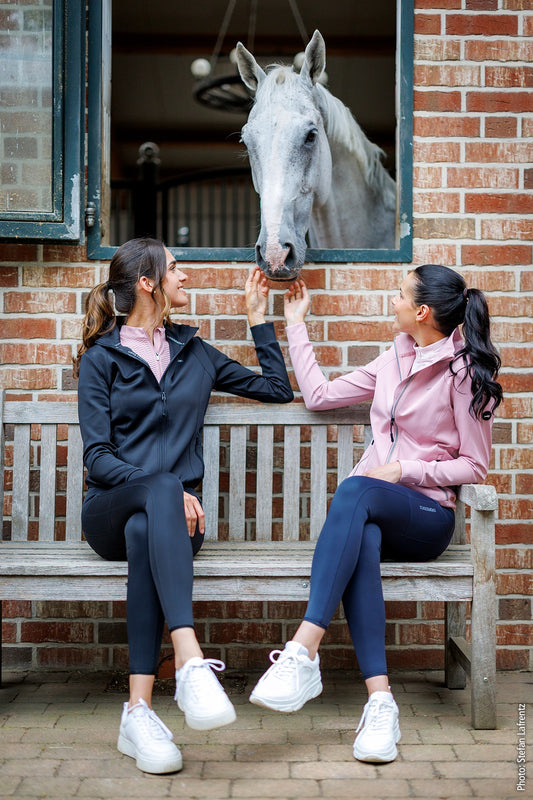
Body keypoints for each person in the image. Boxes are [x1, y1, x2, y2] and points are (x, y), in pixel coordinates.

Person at [249, 264, 502, 764]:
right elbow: (320, 397)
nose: (395, 300)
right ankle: (381, 703)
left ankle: (302, 650)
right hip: (374, 514)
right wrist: (294, 323)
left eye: (401, 294)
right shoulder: (393, 359)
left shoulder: (462, 372)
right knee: (359, 532)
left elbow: (475, 466)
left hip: (428, 519)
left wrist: (404, 470)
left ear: (422, 311)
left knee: (357, 490)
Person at [73, 238, 293, 774]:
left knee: (149, 531)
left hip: (170, 525)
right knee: (155, 503)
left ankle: (139, 713)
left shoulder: (196, 354)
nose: (185, 277)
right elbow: (98, 458)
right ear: (147, 283)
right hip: (108, 510)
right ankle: (190, 659)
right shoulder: (101, 358)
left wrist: (257, 319)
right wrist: (166, 488)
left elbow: (277, 389)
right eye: (175, 269)